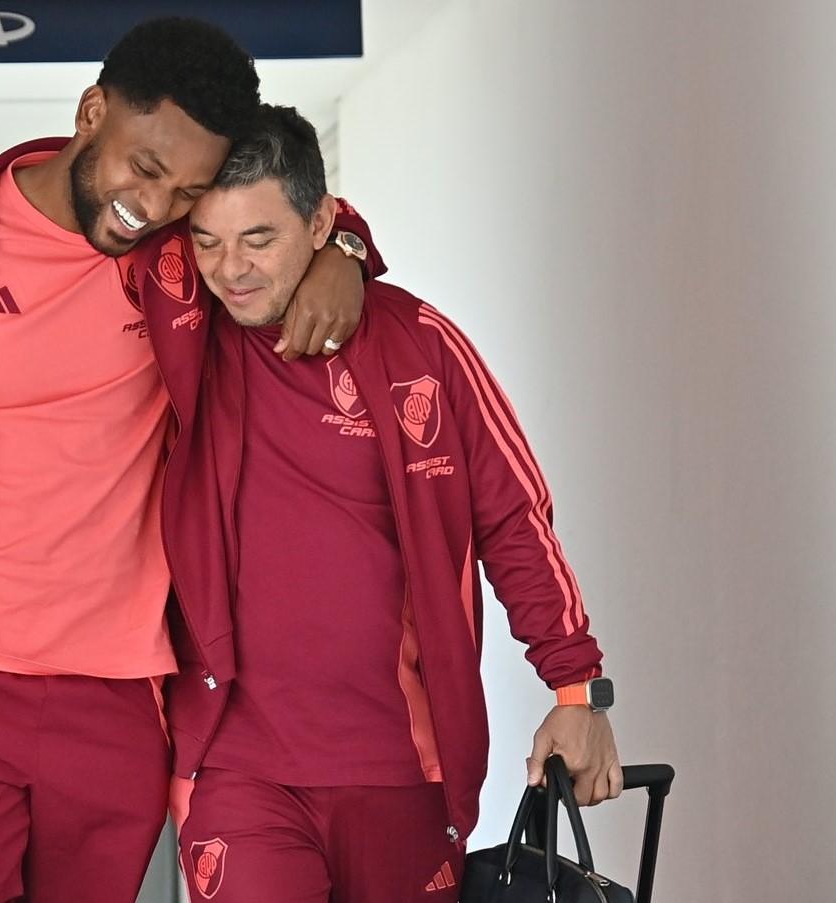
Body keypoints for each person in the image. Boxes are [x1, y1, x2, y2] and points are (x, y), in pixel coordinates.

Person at [0, 17, 383, 903]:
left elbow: (279, 218)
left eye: (185, 189)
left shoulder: (175, 260)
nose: (153, 205)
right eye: (143, 168)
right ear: (90, 111)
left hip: (117, 693)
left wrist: (346, 251)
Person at [161, 105, 622, 902]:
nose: (228, 268)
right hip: (236, 766)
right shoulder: (183, 332)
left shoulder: (421, 344)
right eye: (206, 240)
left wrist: (574, 690)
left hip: (404, 768)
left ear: (317, 223)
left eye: (257, 239)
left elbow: (513, 518)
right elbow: (99, 187)